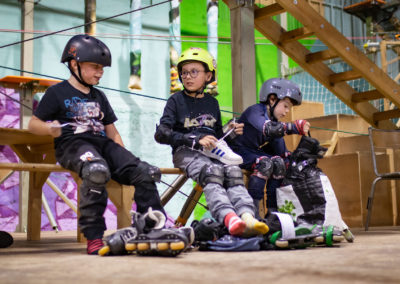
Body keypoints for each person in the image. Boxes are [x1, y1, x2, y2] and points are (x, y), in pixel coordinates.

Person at [28, 34, 166, 255]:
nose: (100, 72)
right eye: (95, 67)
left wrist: (125, 158)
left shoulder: (99, 96)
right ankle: (93, 236)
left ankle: (152, 229)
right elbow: (32, 125)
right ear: (74, 64)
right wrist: (48, 129)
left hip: (102, 145)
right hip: (73, 145)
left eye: (102, 68)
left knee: (145, 172)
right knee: (97, 171)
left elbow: (111, 131)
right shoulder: (57, 92)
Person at [154, 47, 269, 237]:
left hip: (212, 153)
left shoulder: (212, 103)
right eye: (184, 73)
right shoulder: (175, 101)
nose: (187, 77)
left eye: (194, 72)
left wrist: (230, 132)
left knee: (233, 172)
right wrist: (194, 139)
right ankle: (229, 218)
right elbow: (162, 134)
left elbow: (216, 136)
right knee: (213, 173)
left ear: (208, 76)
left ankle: (248, 216)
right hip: (186, 152)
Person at [232, 78, 310, 216]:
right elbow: (268, 129)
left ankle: (273, 213)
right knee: (265, 163)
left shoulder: (274, 120)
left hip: (252, 152)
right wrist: (293, 126)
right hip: (236, 151)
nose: (287, 112)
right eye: (285, 106)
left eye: (289, 108)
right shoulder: (254, 112)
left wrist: (295, 159)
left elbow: (281, 152)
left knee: (280, 163)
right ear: (272, 99)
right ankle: (252, 213)